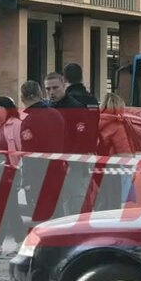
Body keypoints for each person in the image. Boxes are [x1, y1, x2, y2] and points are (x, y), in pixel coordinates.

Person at [44, 71, 96, 215]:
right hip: (53, 166)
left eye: (55, 88)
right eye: (48, 89)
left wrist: (69, 161)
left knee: (73, 207)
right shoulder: (48, 108)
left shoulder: (76, 108)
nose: (51, 92)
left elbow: (82, 140)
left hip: (73, 165)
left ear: (64, 85)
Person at [19, 80, 65, 223]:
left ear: (22, 98)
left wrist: (27, 180)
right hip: (58, 172)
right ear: (41, 94)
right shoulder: (56, 115)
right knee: (58, 215)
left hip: (37, 176)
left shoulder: (29, 121)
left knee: (40, 218)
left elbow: (28, 154)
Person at [0, 96, 24, 249]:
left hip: (9, 172)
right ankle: (9, 242)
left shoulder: (16, 125)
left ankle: (4, 243)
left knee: (8, 206)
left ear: (7, 109)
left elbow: (21, 149)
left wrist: (20, 170)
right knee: (3, 206)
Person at [98, 93, 139, 208]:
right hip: (114, 169)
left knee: (101, 202)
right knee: (113, 204)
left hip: (96, 167)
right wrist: (131, 167)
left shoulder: (95, 121)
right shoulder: (117, 125)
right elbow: (124, 152)